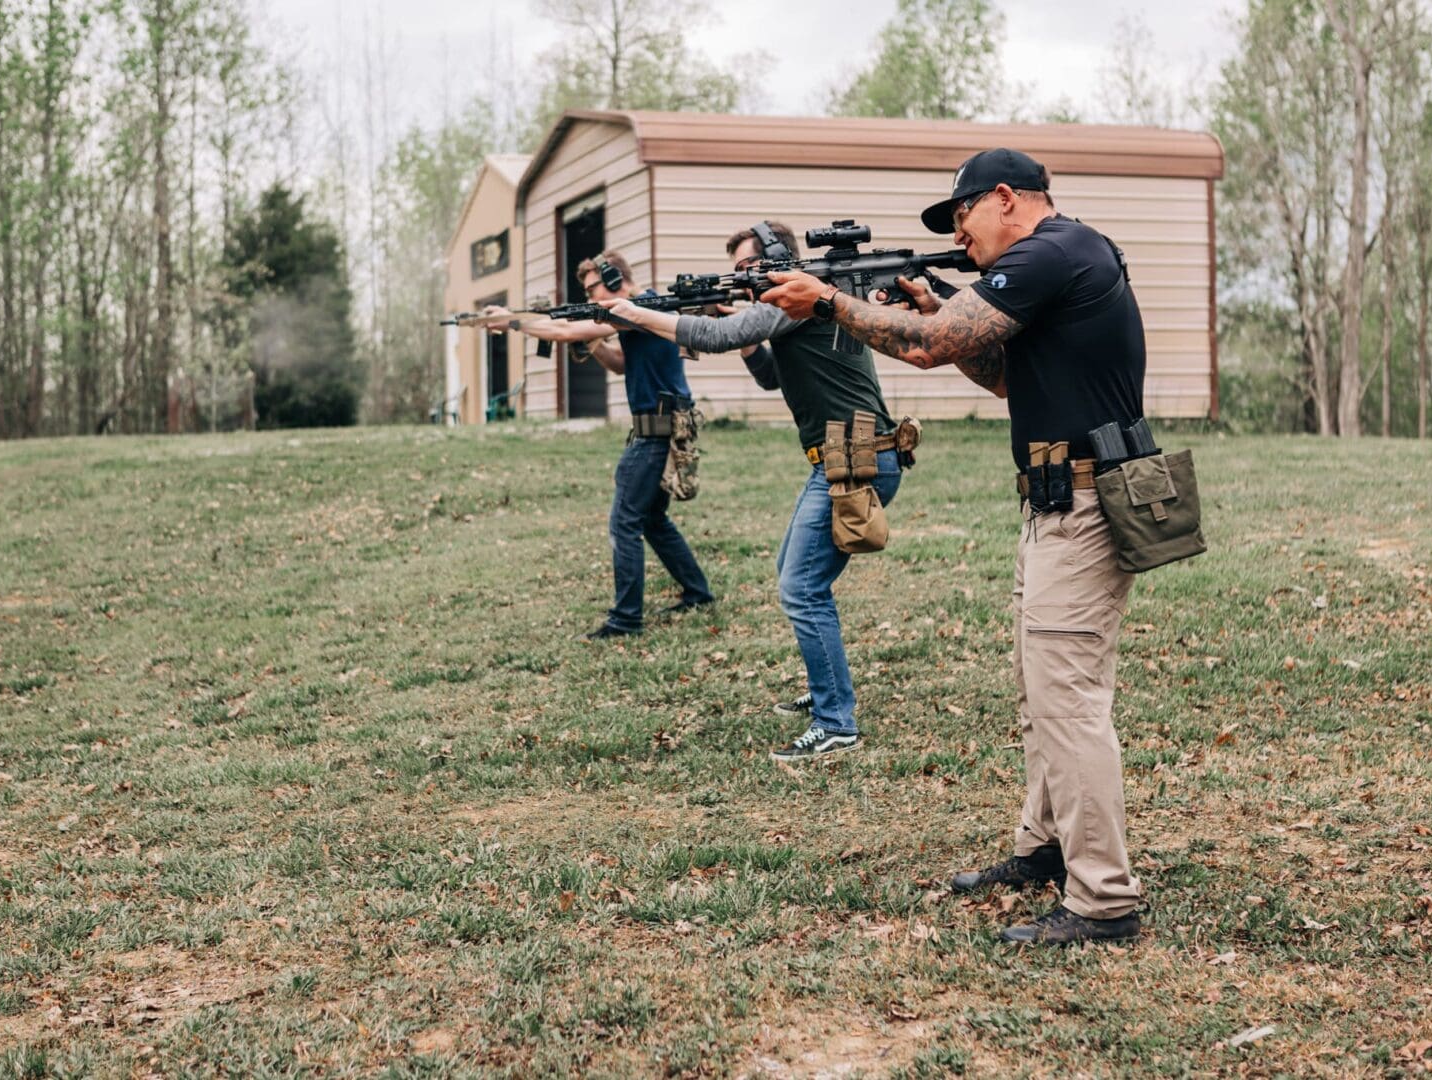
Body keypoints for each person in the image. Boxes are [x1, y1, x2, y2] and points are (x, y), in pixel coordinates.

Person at [761, 149, 1147, 945]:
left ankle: (1104, 896)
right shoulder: (1061, 259)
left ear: (1006, 198)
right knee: (1046, 694)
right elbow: (1000, 373)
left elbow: (932, 346)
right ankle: (1044, 848)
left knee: (1068, 704)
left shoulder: (1053, 251)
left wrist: (832, 301)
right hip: (1057, 501)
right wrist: (933, 305)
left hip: (1081, 504)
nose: (959, 234)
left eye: (962, 215)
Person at [599, 221, 903, 763]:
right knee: (798, 574)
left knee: (801, 588)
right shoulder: (798, 304)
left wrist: (636, 312)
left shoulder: (798, 295)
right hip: (843, 456)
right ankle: (828, 685)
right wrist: (742, 329)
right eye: (739, 270)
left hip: (855, 457)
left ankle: (836, 722)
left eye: (749, 266)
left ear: (781, 257)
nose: (744, 278)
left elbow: (716, 338)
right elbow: (769, 376)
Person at [483, 251, 714, 640]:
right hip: (657, 424)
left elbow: (562, 332)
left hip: (656, 429)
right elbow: (622, 362)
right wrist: (594, 344)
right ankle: (697, 592)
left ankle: (626, 619)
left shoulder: (641, 307)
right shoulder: (642, 311)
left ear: (613, 276)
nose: (590, 298)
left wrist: (511, 321)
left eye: (593, 288)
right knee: (652, 519)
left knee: (624, 522)